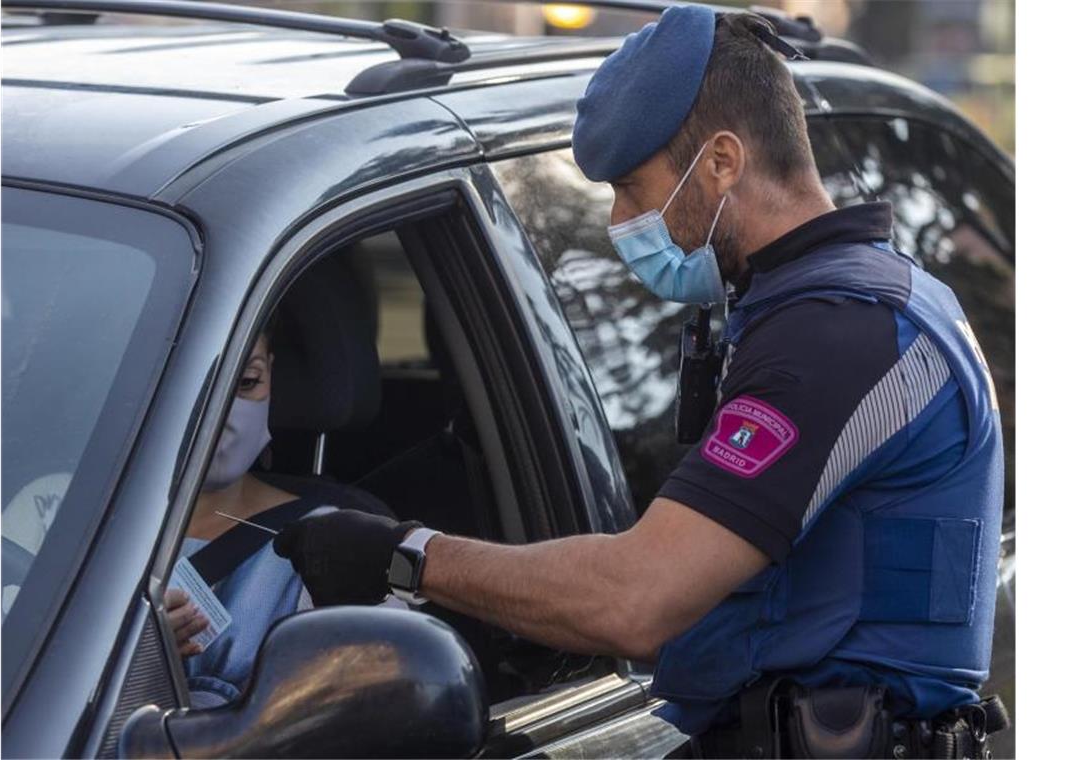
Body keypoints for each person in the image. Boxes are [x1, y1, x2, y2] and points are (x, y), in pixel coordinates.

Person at [272, 8, 1007, 758]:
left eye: (631, 187)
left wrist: (407, 554)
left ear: (722, 161)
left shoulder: (840, 335)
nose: (621, 220)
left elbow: (636, 599)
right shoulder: (809, 304)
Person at [164, 323, 415, 708]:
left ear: (272, 375)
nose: (219, 411)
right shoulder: (60, 520)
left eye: (247, 381)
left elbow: (386, 707)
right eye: (192, 381)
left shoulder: (334, 544)